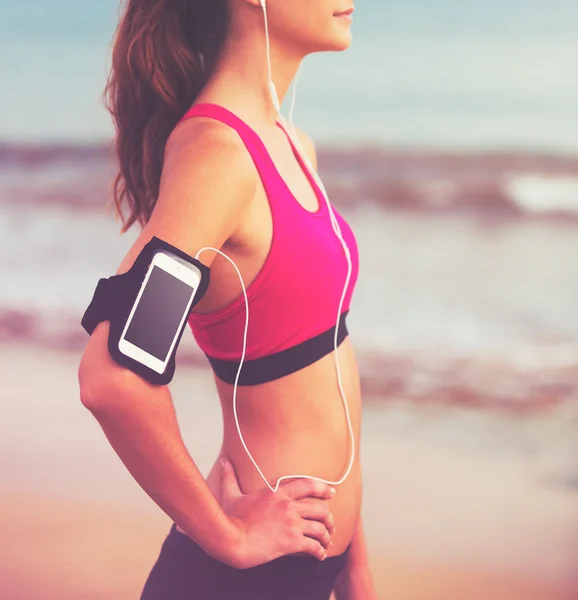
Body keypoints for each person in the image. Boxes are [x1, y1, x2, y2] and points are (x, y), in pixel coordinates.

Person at [77, 0, 377, 598]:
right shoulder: (219, 157)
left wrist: (356, 571)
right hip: (247, 578)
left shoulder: (290, 144)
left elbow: (329, 384)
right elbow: (114, 376)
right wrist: (227, 537)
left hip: (313, 567)